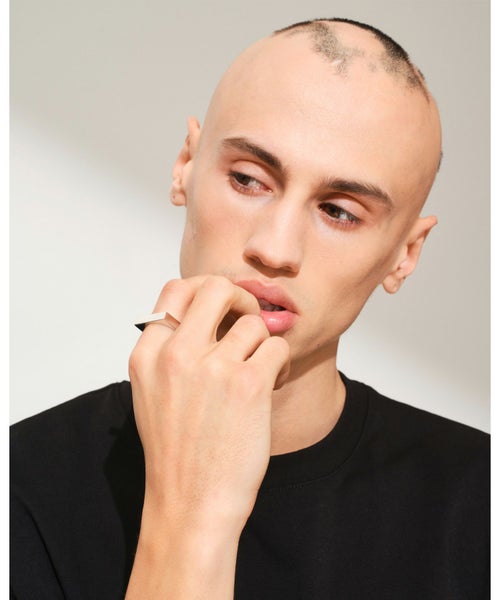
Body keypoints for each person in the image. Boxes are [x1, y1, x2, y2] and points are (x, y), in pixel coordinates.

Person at [10, 17, 489, 599]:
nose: (275, 249)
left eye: (339, 211)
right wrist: (191, 515)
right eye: (247, 179)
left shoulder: (479, 505)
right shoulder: (23, 484)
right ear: (186, 165)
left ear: (404, 254)